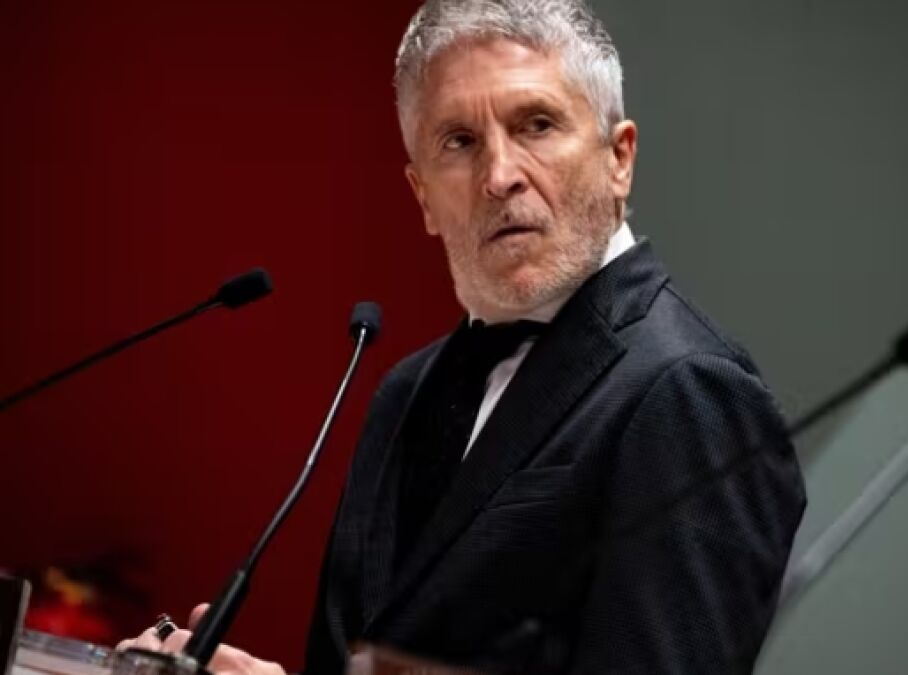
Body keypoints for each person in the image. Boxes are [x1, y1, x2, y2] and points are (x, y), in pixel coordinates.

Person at [120, 0, 805, 672]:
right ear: (423, 196)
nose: (500, 176)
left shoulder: (688, 388)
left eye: (537, 124)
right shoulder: (403, 390)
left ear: (619, 158)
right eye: (460, 142)